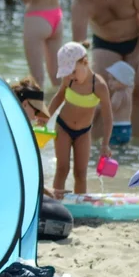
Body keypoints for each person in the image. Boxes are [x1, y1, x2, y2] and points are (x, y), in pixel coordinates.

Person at [70, 0, 139, 142]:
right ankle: (94, 147)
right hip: (105, 43)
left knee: (138, 94)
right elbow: (78, 43)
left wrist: (136, 53)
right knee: (102, 96)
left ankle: (135, 146)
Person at [47, 42, 113, 197]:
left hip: (84, 132)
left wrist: (105, 144)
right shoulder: (68, 80)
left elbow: (108, 117)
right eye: (67, 72)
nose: (70, 76)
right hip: (63, 126)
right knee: (62, 169)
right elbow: (59, 97)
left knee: (80, 173)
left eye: (73, 71)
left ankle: (80, 206)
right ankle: (56, 202)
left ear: (85, 62)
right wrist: (45, 117)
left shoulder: (99, 86)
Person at [105, 61, 135, 146]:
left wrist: (103, 106)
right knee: (123, 148)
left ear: (123, 80)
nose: (110, 82)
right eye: (109, 79)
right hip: (127, 127)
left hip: (116, 127)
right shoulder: (129, 92)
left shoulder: (119, 93)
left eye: (114, 79)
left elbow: (114, 107)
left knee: (112, 148)